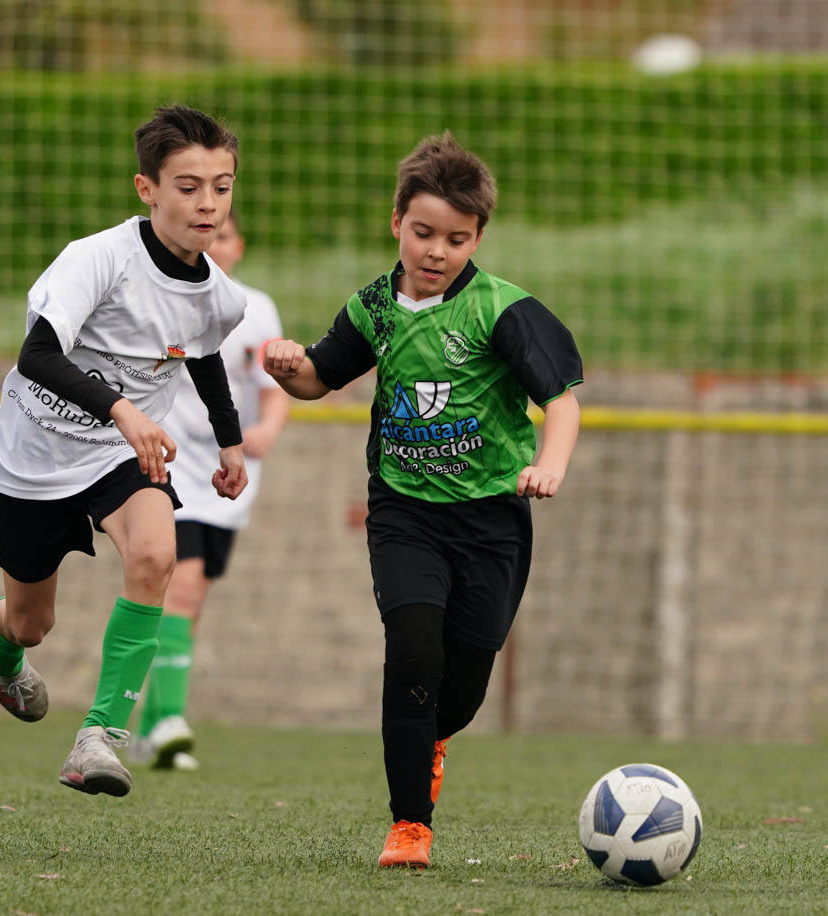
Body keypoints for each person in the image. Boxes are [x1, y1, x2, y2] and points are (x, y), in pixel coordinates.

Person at [262, 133, 582, 868]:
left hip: (492, 518)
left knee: (460, 688)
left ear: (479, 237)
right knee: (412, 650)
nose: (437, 251)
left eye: (457, 239)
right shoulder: (374, 307)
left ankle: (431, 740)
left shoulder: (504, 310)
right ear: (397, 221)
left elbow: (560, 403)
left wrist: (549, 466)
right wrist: (290, 370)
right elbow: (318, 378)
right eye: (424, 233)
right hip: (404, 511)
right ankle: (411, 825)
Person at [0, 105, 249, 798]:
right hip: (34, 456)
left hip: (121, 456)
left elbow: (206, 356)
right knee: (32, 623)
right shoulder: (97, 258)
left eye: (221, 185)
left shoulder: (221, 295)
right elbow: (37, 355)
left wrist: (230, 443)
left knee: (158, 554)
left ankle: (99, 737)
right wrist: (123, 408)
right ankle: (0, 652)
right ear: (146, 188)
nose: (207, 202)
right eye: (188, 186)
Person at [129, 208, 290, 771]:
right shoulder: (166, 298)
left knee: (188, 607)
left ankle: (152, 726)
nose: (215, 244)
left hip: (229, 473)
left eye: (224, 235)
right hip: (171, 462)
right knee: (184, 588)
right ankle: (171, 720)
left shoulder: (255, 309)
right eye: (208, 234)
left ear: (238, 245)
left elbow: (272, 388)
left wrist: (266, 429)